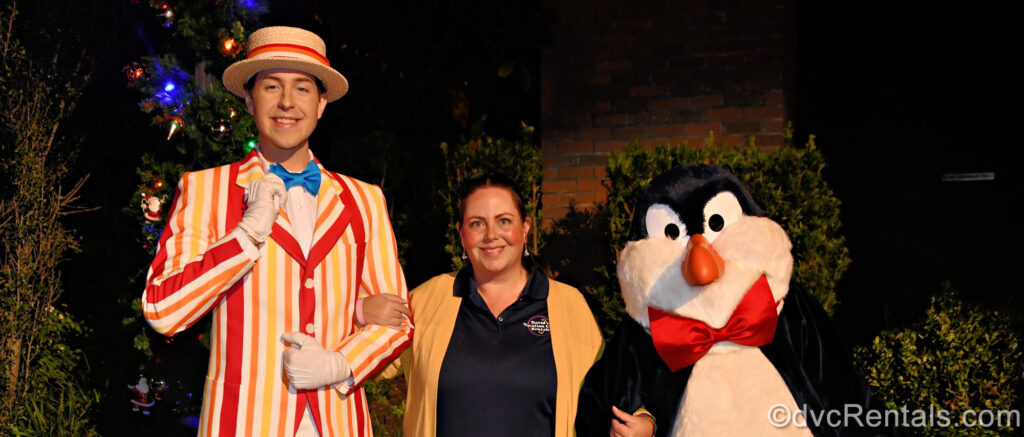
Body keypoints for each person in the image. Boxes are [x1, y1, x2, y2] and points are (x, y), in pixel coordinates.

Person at [141, 26, 411, 437]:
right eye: (271, 86)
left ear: (321, 103)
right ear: (249, 98)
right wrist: (246, 235)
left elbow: (397, 320)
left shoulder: (363, 199)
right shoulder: (206, 190)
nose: (287, 102)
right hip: (243, 423)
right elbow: (164, 309)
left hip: (337, 423)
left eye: (303, 89)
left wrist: (341, 363)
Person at [365, 173, 603, 437]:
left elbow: (612, 389)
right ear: (461, 233)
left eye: (504, 221)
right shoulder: (425, 301)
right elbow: (359, 364)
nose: (491, 235)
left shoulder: (569, 306)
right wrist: (360, 314)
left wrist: (644, 419)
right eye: (477, 224)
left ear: (525, 228)